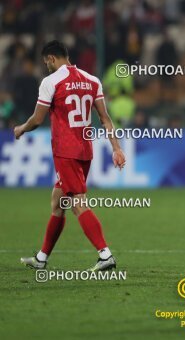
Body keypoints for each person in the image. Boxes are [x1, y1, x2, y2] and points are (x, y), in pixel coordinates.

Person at [14, 40, 126, 271]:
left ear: (52, 59)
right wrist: (116, 148)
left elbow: (37, 119)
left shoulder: (51, 82)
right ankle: (42, 258)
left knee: (77, 203)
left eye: (47, 62)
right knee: (58, 201)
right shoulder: (92, 80)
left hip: (66, 151)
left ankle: (105, 254)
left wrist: (21, 128)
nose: (47, 66)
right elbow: (105, 119)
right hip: (85, 151)